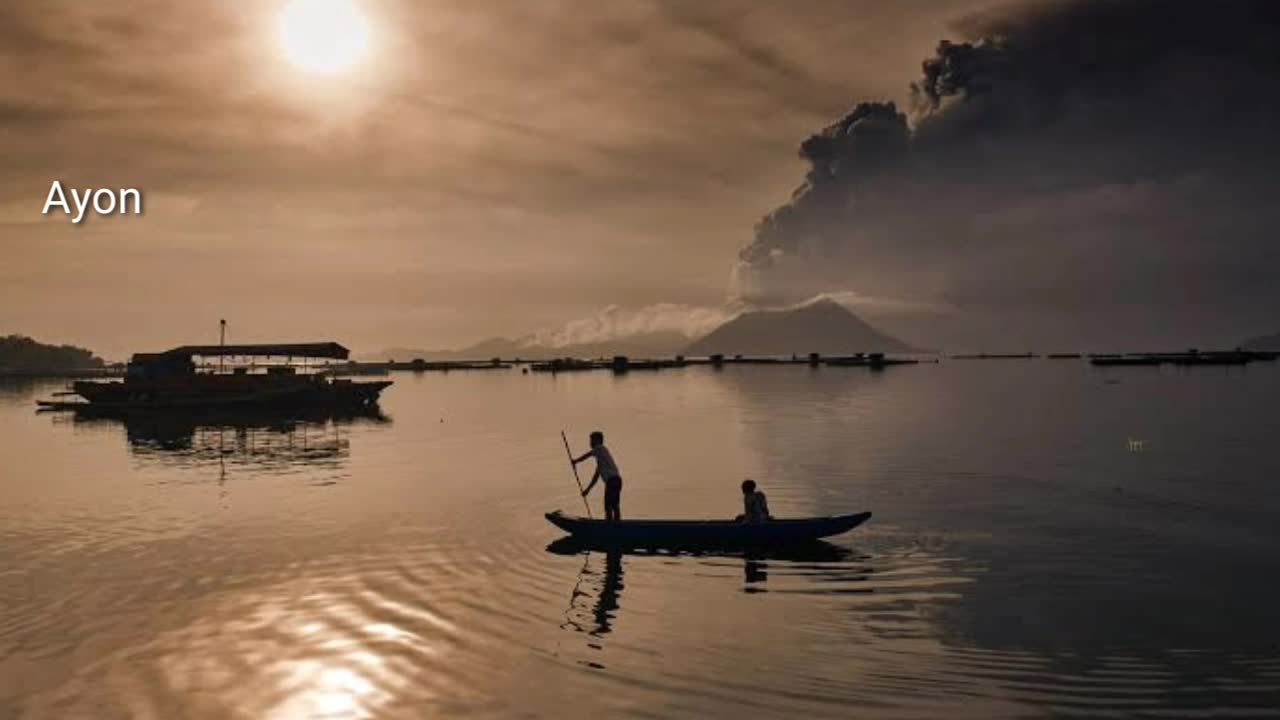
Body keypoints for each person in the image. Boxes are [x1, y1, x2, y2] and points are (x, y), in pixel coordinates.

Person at [573, 431, 622, 521]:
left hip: (612, 481)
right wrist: (587, 490)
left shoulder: (600, 448)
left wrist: (576, 461)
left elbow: (587, 455)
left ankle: (610, 527)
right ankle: (616, 524)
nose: (590, 443)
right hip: (617, 481)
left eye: (592, 440)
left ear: (598, 440)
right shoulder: (601, 461)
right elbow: (595, 478)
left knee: (608, 506)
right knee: (614, 505)